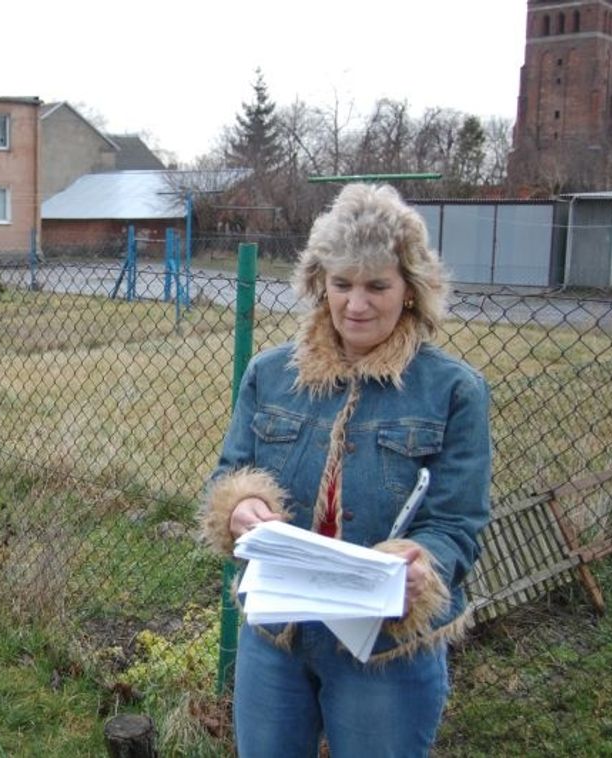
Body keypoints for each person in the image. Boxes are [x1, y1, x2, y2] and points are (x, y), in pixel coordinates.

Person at [201, 183, 491, 757]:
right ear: (319, 283)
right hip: (276, 638)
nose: (356, 304)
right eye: (342, 284)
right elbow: (229, 474)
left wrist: (421, 565)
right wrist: (238, 506)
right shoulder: (269, 374)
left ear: (411, 289)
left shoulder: (454, 392)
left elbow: (456, 523)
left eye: (377, 285)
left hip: (385, 650)